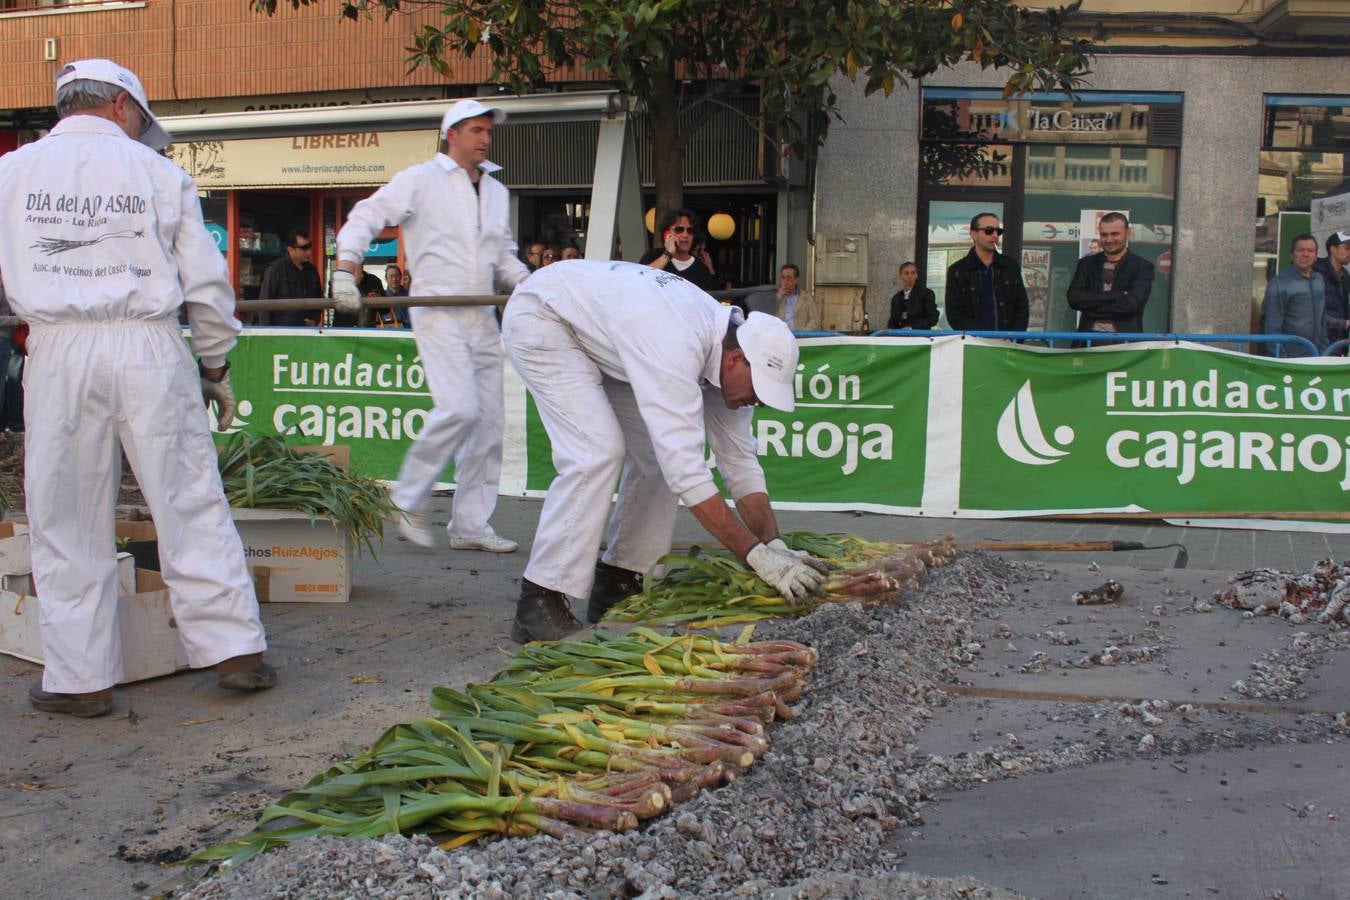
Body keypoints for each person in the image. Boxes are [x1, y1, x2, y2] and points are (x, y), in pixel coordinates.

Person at [0, 59, 274, 717]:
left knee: (64, 514)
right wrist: (214, 365)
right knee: (187, 497)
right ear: (122, 104)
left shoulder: (10, 173)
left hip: (58, 347)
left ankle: (79, 677)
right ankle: (233, 649)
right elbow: (207, 287)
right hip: (147, 342)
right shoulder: (159, 173)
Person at [501, 260, 828, 642]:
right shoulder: (676, 341)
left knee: (656, 457)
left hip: (603, 337)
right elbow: (688, 473)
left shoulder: (731, 361)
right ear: (738, 360)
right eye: (758, 390)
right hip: (545, 317)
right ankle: (539, 600)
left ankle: (619, 580)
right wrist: (756, 557)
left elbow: (739, 460)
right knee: (596, 452)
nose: (756, 400)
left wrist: (775, 547)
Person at [333, 98, 529, 552]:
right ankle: (406, 497)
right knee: (458, 408)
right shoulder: (420, 180)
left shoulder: (496, 191)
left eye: (488, 131)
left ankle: (470, 526)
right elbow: (367, 215)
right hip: (436, 308)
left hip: (481, 314)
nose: (484, 138)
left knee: (488, 425)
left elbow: (503, 255)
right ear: (452, 134)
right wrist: (346, 268)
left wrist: (531, 285)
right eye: (476, 130)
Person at [1065, 211, 1154, 344]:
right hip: (1087, 343)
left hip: (1124, 346)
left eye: (1115, 234)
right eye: (1104, 235)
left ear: (1127, 233)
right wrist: (1115, 295)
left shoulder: (1142, 267)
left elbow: (1132, 305)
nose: (1108, 240)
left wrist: (1090, 309)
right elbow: (1074, 299)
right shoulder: (1086, 264)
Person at [944, 213, 1029, 331]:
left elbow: (1022, 308)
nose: (995, 235)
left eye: (998, 231)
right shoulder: (958, 271)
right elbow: (955, 314)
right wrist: (982, 338)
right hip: (975, 344)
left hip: (1009, 343)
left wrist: (1013, 337)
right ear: (973, 234)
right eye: (989, 230)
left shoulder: (1010, 266)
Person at [1261, 234, 1326, 358]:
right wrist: (1282, 358)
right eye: (1300, 250)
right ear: (1292, 254)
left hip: (1317, 355)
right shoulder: (1279, 283)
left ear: (1316, 256)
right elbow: (1272, 326)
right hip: (1290, 358)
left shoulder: (1319, 280)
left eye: (1310, 251)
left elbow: (1322, 320)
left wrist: (1324, 351)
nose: (1305, 254)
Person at [639, 209, 721, 292]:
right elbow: (640, 280)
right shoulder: (652, 256)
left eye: (690, 231)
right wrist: (668, 254)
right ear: (667, 233)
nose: (685, 235)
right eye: (679, 230)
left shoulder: (701, 269)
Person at [258, 229, 322, 327]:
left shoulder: (312, 270)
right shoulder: (276, 269)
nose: (309, 252)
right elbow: (264, 304)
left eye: (310, 246)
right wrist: (266, 333)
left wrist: (314, 320)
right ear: (290, 250)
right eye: (304, 248)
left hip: (307, 332)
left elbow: (319, 300)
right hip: (282, 331)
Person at [1313, 230, 1350, 353]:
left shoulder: (1346, 276)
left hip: (1338, 345)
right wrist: (1344, 323)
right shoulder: (1316, 272)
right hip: (1317, 344)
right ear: (1333, 249)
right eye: (1347, 248)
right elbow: (1312, 312)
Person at [886, 261, 939, 330]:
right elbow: (892, 321)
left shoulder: (926, 294)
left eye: (913, 273)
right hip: (900, 336)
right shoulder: (896, 298)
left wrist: (912, 328)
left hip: (920, 336)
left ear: (916, 275)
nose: (910, 276)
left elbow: (933, 318)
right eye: (906, 273)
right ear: (901, 276)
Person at [774, 263, 820, 329]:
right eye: (783, 278)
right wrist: (779, 296)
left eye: (789, 278)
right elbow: (765, 316)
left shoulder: (806, 299)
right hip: (780, 336)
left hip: (799, 337)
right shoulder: (774, 298)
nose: (785, 282)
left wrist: (802, 334)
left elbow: (814, 321)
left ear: (796, 280)